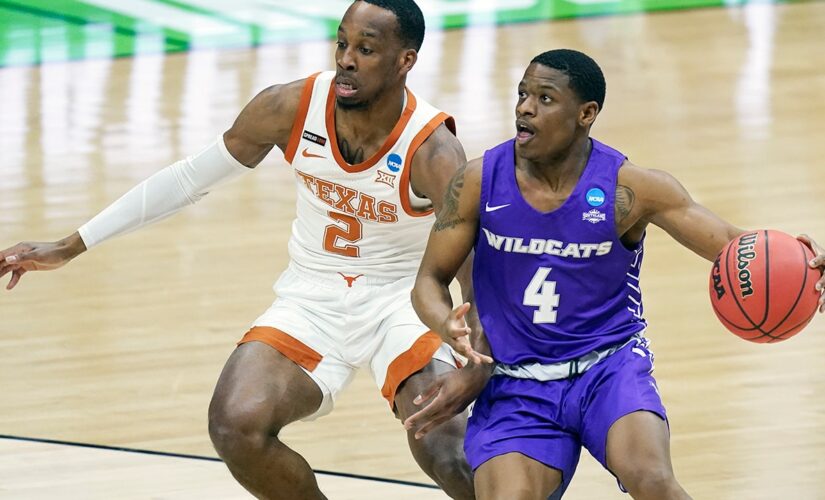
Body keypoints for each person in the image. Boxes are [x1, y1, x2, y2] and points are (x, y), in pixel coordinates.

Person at [0, 1, 478, 498]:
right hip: (313, 296)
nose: (347, 59)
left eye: (366, 49)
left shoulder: (433, 150)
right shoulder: (291, 106)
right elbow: (189, 179)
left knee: (451, 455)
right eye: (342, 43)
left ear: (405, 60)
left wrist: (479, 364)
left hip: (401, 302)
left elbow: (473, 267)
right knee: (235, 425)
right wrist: (69, 245)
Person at [404, 48, 825, 499]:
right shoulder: (478, 181)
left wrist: (801, 261)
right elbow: (429, 279)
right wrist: (446, 324)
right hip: (516, 381)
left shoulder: (632, 188)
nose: (525, 108)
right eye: (523, 94)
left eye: (545, 99)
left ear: (586, 114)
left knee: (654, 481)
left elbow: (732, 244)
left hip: (608, 367)